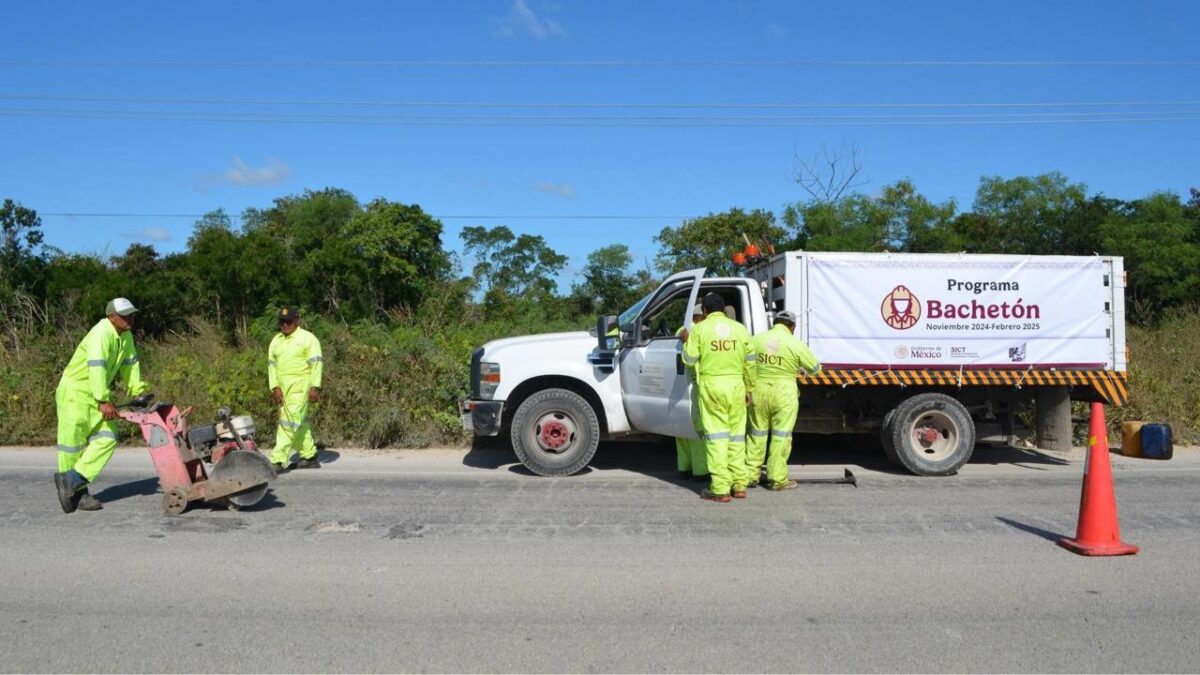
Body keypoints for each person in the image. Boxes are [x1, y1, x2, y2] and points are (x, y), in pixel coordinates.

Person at [53, 298, 149, 513]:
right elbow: (96, 367)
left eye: (132, 314)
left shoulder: (126, 336)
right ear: (111, 317)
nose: (130, 318)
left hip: (95, 395)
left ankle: (72, 480)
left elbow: (130, 364)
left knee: (109, 437)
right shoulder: (101, 333)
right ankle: (78, 494)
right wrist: (103, 400)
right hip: (75, 393)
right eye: (125, 315)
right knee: (72, 446)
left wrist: (138, 391)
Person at [682, 292, 756, 502]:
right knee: (736, 437)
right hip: (736, 387)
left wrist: (687, 342)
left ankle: (720, 489)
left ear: (704, 311)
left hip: (712, 387)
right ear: (723, 309)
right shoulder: (740, 329)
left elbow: (689, 359)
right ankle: (739, 484)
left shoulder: (700, 329)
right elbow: (750, 362)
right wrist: (749, 388)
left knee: (716, 438)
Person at [745, 311, 821, 491]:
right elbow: (815, 369)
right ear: (792, 326)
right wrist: (798, 367)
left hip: (758, 391)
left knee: (756, 434)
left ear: (775, 322)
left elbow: (746, 362)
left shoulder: (756, 340)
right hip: (784, 394)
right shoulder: (796, 344)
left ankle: (749, 476)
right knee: (781, 436)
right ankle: (777, 479)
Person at [268, 306, 323, 471]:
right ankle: (309, 456)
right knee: (299, 422)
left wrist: (315, 386)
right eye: (282, 322)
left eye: (288, 321)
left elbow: (316, 362)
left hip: (300, 387)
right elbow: (271, 366)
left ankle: (277, 460)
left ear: (297, 321)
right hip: (283, 389)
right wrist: (275, 387)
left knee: (288, 422)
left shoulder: (308, 338)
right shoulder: (276, 341)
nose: (285, 325)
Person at [675, 304, 707, 480]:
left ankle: (684, 467)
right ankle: (701, 471)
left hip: (679, 387)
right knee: (700, 431)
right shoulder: (701, 331)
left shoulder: (682, 330)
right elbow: (693, 358)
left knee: (682, 431)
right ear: (701, 316)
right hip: (698, 385)